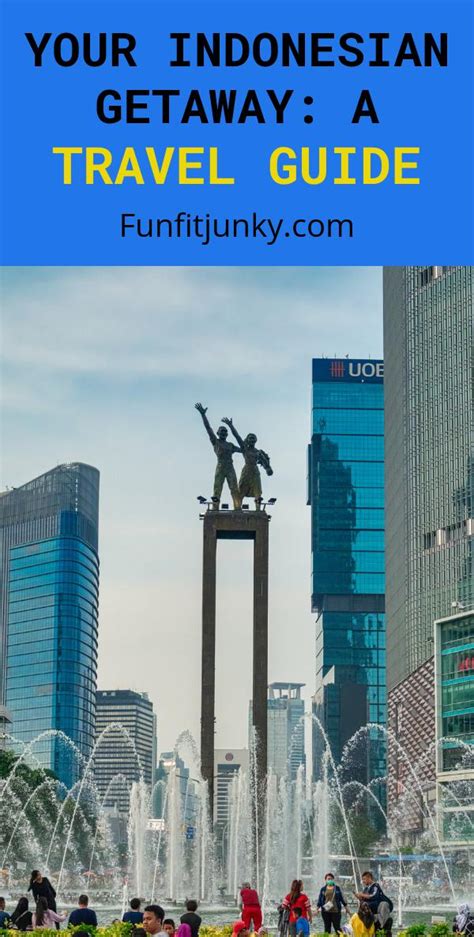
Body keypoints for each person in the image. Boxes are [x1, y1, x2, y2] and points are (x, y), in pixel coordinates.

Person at [195, 403, 242, 509]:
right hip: (220, 467)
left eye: (225, 431)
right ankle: (215, 507)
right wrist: (203, 415)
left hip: (230, 467)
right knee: (217, 488)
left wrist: (231, 426)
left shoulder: (230, 445)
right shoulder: (215, 442)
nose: (223, 433)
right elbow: (208, 428)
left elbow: (243, 450)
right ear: (218, 433)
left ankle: (237, 508)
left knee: (234, 488)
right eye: (222, 431)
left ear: (227, 434)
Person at [222, 418, 273, 509]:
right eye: (250, 438)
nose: (252, 440)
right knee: (241, 490)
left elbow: (266, 464)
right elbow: (237, 436)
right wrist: (230, 425)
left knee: (258, 491)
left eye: (253, 438)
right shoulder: (244, 448)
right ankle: (237, 508)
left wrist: (268, 469)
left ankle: (258, 509)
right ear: (248, 440)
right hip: (246, 471)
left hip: (255, 472)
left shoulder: (258, 452)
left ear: (256, 440)